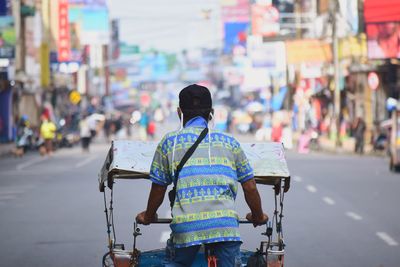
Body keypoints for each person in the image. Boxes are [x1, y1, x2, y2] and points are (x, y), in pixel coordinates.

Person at [136, 84, 268, 267]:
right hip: (225, 227)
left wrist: (148, 216)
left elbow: (159, 188)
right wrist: (258, 216)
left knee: (177, 263)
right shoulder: (230, 142)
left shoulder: (169, 142)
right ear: (211, 113)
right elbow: (250, 186)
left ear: (179, 112)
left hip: (186, 229)